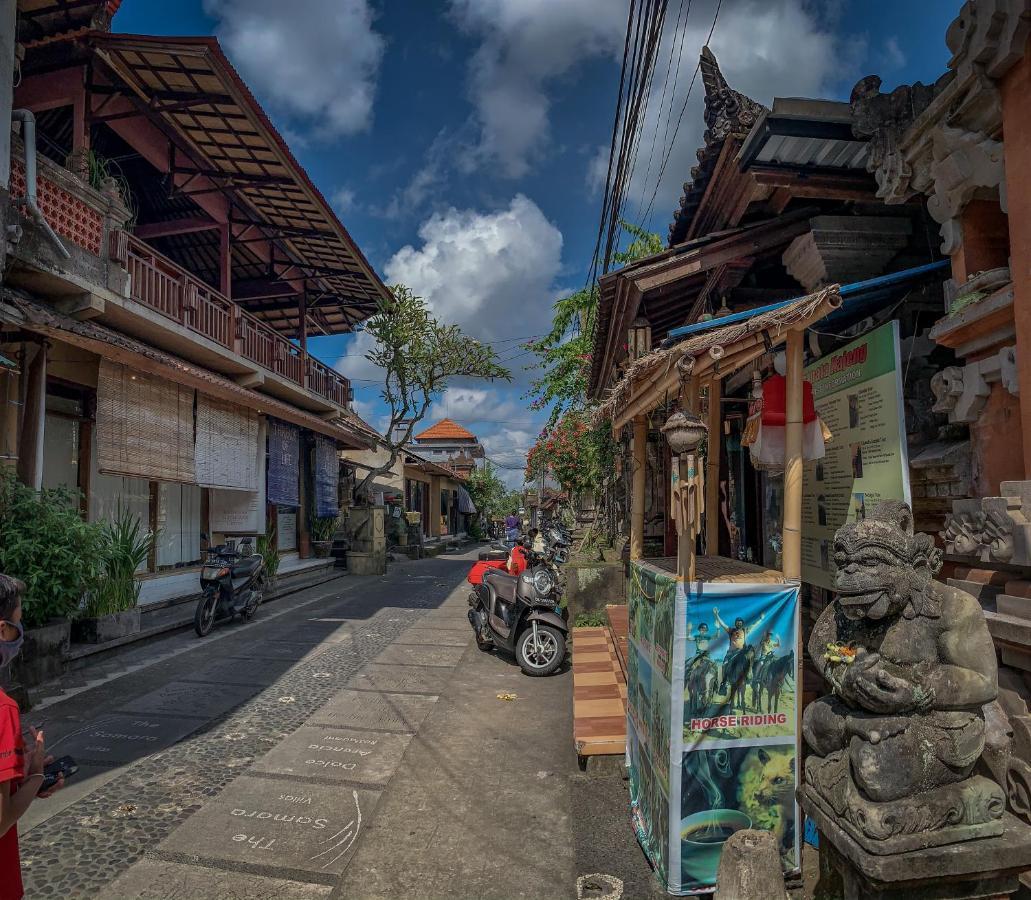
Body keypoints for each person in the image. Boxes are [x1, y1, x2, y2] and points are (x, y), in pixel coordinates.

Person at [1, 575, 63, 900]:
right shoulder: (2, 709)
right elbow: (0, 820)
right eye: (18, 622)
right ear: (1, 630)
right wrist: (37, 775)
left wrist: (18, 774)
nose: (18, 634)